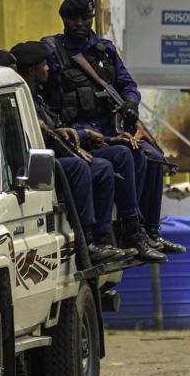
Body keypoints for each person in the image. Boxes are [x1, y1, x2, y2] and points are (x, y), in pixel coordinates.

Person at [41, 0, 185, 255]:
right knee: (127, 156)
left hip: (109, 127)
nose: (81, 24)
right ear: (64, 19)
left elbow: (127, 84)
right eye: (75, 19)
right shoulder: (53, 52)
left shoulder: (104, 50)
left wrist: (130, 104)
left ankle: (150, 231)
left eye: (86, 18)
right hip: (79, 131)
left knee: (153, 156)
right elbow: (41, 93)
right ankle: (130, 230)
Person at [10, 42, 161, 263]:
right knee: (88, 167)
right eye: (44, 65)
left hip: (69, 147)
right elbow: (45, 136)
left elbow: (58, 129)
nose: (48, 69)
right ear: (33, 70)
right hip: (43, 162)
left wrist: (104, 136)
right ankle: (91, 241)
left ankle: (131, 229)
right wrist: (78, 138)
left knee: (123, 153)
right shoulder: (25, 100)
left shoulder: (38, 96)